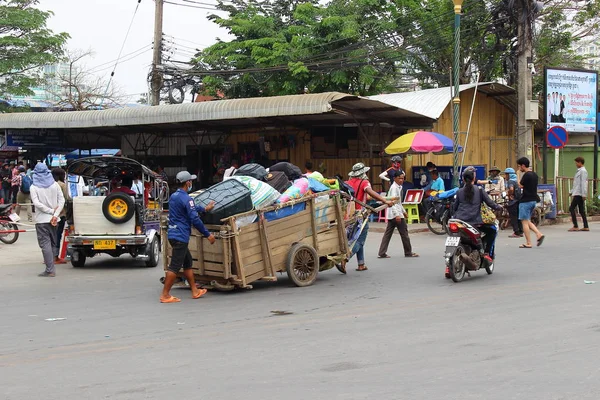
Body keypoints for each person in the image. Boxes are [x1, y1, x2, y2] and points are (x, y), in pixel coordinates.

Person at [161, 171, 216, 303]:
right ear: (188, 183)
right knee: (174, 266)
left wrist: (204, 209)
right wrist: (208, 234)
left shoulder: (174, 196)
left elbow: (191, 208)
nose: (192, 183)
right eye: (191, 181)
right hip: (181, 236)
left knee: (187, 263)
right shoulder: (187, 198)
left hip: (173, 234)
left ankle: (195, 291)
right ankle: (165, 295)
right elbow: (194, 219)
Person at [342, 163, 394, 272]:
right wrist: (385, 201)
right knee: (360, 240)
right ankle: (346, 257)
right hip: (360, 214)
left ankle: (361, 264)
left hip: (348, 214)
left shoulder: (348, 182)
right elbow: (371, 192)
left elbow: (362, 194)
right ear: (363, 173)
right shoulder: (364, 182)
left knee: (356, 237)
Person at [452, 169, 502, 265]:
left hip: (459, 221)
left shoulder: (459, 192)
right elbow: (490, 203)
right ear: (474, 178)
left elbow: (454, 207)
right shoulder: (479, 190)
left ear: (463, 179)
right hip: (474, 222)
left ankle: (448, 267)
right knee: (492, 231)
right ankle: (486, 253)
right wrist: (498, 207)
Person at [30, 163, 65, 277]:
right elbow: (62, 201)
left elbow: (36, 204)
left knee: (45, 244)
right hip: (55, 220)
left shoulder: (33, 187)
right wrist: (55, 214)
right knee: (53, 243)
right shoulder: (55, 185)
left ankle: (50, 269)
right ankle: (51, 267)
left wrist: (50, 211)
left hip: (41, 220)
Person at [377, 171, 418, 259]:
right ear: (394, 178)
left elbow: (398, 202)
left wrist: (403, 211)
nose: (401, 180)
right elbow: (393, 203)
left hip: (394, 213)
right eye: (399, 178)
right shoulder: (394, 188)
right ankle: (408, 252)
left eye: (402, 178)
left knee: (388, 234)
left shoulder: (399, 187)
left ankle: (382, 252)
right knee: (404, 233)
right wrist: (397, 215)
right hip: (395, 214)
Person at [517, 157, 545, 248]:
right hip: (533, 200)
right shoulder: (534, 174)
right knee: (527, 220)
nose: (519, 168)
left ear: (523, 165)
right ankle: (538, 234)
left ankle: (528, 242)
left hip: (525, 200)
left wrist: (517, 175)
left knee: (524, 222)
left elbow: (520, 185)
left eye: (519, 166)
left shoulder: (526, 175)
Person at [52, 168, 69, 265]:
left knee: (50, 235)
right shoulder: (62, 185)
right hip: (60, 213)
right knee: (58, 235)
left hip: (49, 213)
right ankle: (55, 257)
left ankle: (49, 256)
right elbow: (66, 198)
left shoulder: (48, 184)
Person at [569, 156, 589, 232]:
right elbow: (576, 184)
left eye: (576, 163)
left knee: (571, 208)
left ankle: (575, 226)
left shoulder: (583, 171)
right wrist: (571, 192)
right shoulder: (579, 171)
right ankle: (586, 226)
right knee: (581, 210)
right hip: (577, 192)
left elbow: (583, 183)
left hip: (579, 193)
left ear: (580, 162)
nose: (576, 164)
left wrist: (584, 194)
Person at [503, 168, 523, 238]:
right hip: (518, 201)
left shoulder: (510, 181)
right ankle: (521, 231)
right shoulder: (517, 181)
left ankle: (516, 232)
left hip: (513, 202)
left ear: (509, 175)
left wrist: (509, 194)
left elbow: (511, 189)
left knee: (513, 217)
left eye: (506, 174)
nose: (505, 176)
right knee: (518, 217)